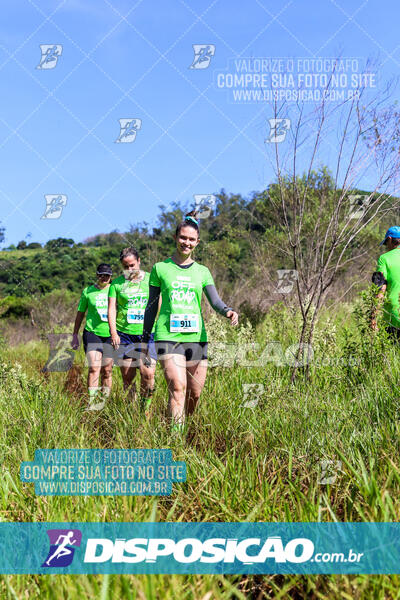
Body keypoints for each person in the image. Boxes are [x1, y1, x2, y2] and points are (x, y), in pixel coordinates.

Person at [142, 211, 239, 432]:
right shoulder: (160, 268)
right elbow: (151, 305)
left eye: (191, 239)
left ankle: (184, 430)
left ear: (197, 242)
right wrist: (145, 338)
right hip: (168, 336)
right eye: (183, 237)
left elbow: (215, 301)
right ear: (176, 237)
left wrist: (228, 311)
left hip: (197, 338)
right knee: (178, 386)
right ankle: (174, 444)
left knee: (194, 393)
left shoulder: (202, 271)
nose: (186, 242)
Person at [108, 247, 158, 414]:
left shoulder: (152, 280)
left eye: (132, 265)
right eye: (125, 266)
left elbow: (159, 304)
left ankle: (145, 411)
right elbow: (112, 309)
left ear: (139, 262)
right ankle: (131, 413)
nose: (129, 270)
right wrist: (113, 333)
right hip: (124, 334)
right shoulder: (116, 284)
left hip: (148, 335)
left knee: (148, 374)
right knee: (128, 378)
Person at [71, 264, 113, 410]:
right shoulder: (88, 291)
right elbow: (80, 314)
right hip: (92, 333)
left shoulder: (115, 290)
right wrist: (75, 335)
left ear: (111, 277)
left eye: (107, 275)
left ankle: (104, 402)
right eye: (101, 275)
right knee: (94, 368)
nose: (104, 278)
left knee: (107, 370)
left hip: (110, 334)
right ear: (97, 275)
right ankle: (93, 404)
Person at [371, 226, 400, 337]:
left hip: (393, 316)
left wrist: (373, 318)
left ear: (389, 239)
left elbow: (381, 288)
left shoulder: (384, 259)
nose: (386, 247)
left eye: (386, 244)